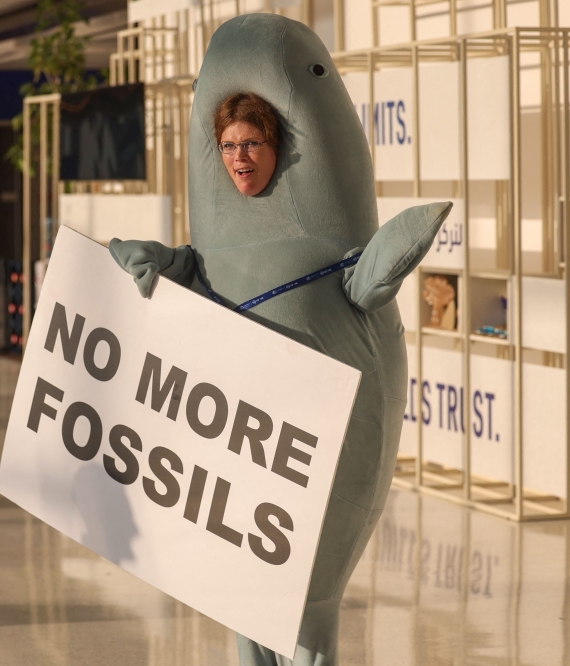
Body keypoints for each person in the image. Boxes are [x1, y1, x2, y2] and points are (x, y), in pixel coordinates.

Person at [109, 14, 451, 665]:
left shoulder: (332, 246)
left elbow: (372, 279)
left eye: (253, 145)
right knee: (249, 614)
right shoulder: (210, 255)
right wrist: (145, 263)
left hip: (306, 455)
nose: (240, 158)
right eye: (230, 147)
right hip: (240, 460)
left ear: (280, 148)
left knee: (305, 626)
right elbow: (173, 276)